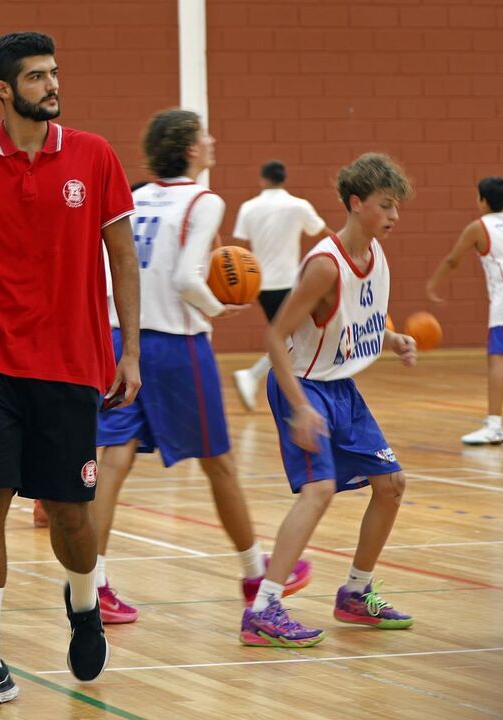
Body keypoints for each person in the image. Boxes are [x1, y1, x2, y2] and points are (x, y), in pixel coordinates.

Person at [0, 32, 141, 709]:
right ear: (3, 88)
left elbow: (124, 260)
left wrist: (129, 349)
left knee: (70, 517)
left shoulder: (94, 155)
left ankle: (83, 599)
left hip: (71, 359)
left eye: (54, 73)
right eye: (37, 76)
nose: (52, 85)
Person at [92, 110, 312, 625]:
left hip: (119, 337)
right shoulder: (204, 201)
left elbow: (108, 271)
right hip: (176, 346)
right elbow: (192, 279)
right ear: (191, 149)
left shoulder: (133, 195)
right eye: (205, 135)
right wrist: (220, 307)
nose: (213, 140)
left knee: (114, 457)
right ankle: (254, 570)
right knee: (218, 461)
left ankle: (93, 582)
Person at [241, 153, 417, 648]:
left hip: (343, 388)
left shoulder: (377, 255)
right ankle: (264, 609)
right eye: (386, 206)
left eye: (397, 207)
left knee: (392, 484)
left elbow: (358, 321)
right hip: (305, 385)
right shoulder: (324, 265)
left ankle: (355, 594)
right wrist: (299, 406)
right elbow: (276, 338)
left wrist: (392, 338)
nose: (394, 216)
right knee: (317, 492)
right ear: (356, 204)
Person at [426, 177, 503, 445]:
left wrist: (433, 284)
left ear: (483, 200)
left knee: (497, 357)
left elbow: (454, 259)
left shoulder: (478, 227)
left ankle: (493, 424)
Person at [232, 160, 332, 411]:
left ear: (263, 180)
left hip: (261, 286)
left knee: (291, 340)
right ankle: (252, 377)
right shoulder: (299, 205)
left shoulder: (248, 207)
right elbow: (325, 234)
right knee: (292, 342)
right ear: (284, 179)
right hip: (290, 284)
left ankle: (268, 383)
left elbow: (239, 251)